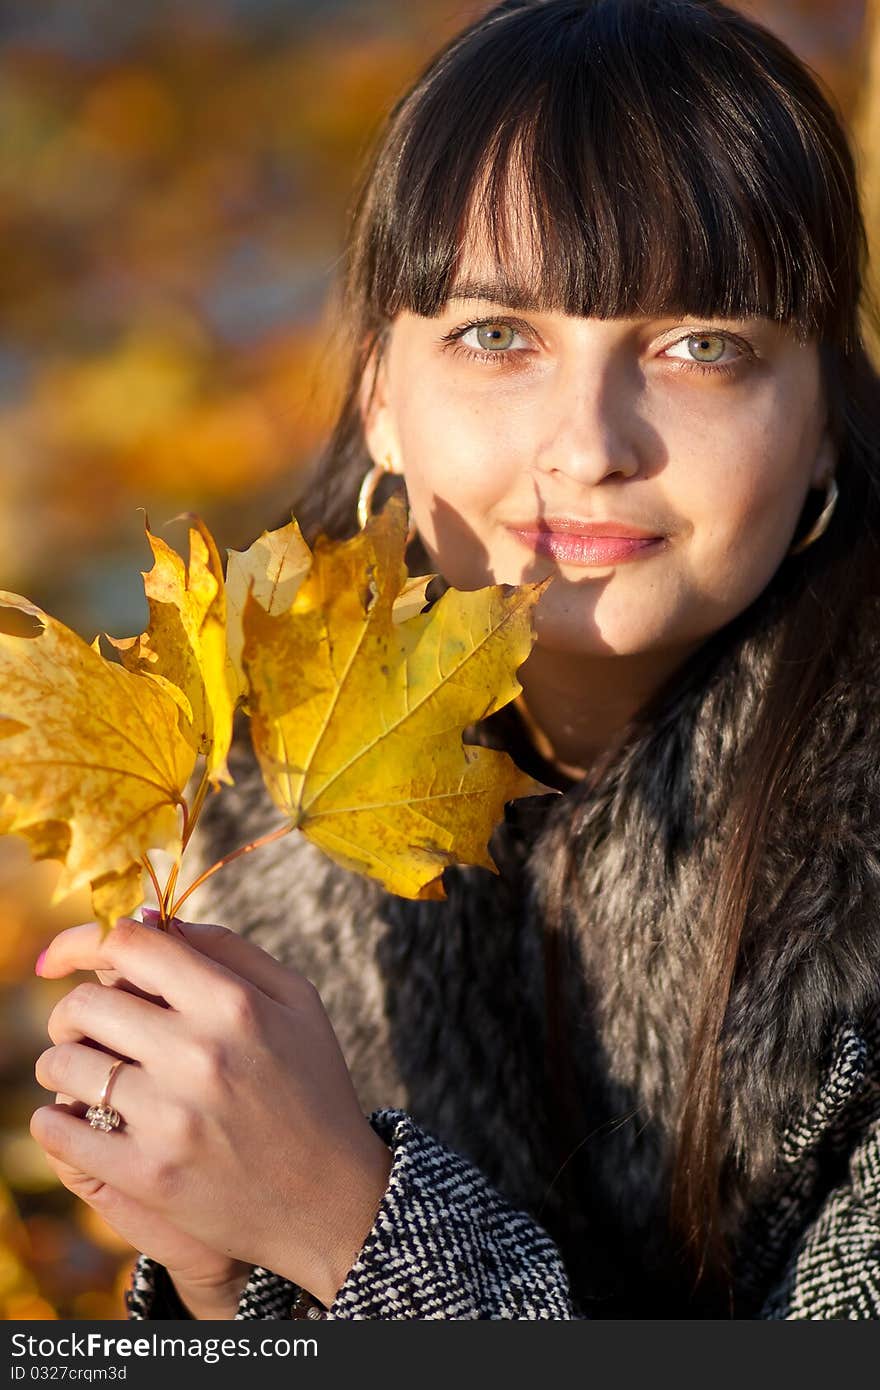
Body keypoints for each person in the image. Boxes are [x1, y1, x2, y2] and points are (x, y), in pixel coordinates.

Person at [30, 0, 880, 1320]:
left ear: (825, 419)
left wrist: (350, 1224)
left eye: (700, 345)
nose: (588, 443)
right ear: (380, 395)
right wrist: (210, 1281)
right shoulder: (245, 830)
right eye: (498, 336)